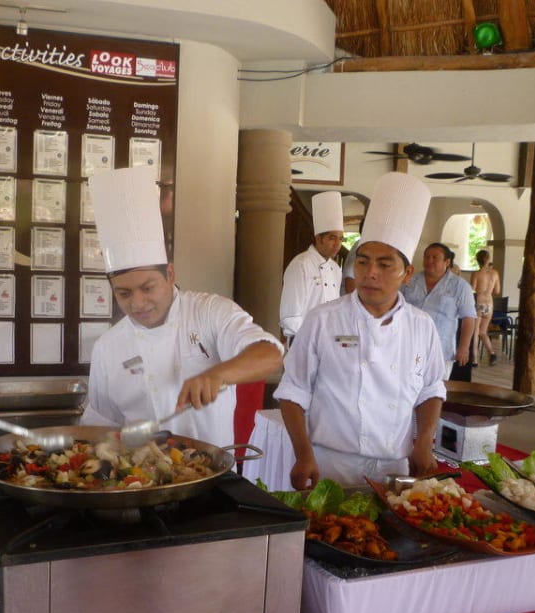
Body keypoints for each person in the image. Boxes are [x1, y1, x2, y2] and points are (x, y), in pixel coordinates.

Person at [80, 166, 283, 448]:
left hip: (210, 466)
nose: (137, 303)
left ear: (170, 274)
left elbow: (270, 355)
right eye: (123, 293)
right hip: (137, 471)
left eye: (147, 288)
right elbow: (99, 425)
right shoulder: (108, 347)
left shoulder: (209, 312)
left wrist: (217, 374)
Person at [274, 172, 446, 490]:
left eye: (384, 264)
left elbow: (431, 389)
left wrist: (424, 441)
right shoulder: (322, 320)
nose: (370, 273)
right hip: (329, 465)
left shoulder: (422, 326)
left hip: (395, 466)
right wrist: (303, 454)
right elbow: (292, 392)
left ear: (407, 273)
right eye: (363, 262)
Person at [402, 243, 477, 379]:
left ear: (447, 262)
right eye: (426, 257)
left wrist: (463, 348)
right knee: (406, 384)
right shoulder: (409, 281)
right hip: (408, 345)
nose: (429, 261)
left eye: (434, 257)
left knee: (436, 386)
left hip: (441, 348)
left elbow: (469, 318)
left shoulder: (460, 286)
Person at [279, 191, 344, 344]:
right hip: (303, 341)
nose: (337, 244)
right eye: (332, 238)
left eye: (340, 239)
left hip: (327, 342)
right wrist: (318, 336)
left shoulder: (335, 269)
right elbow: (290, 318)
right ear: (319, 238)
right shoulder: (301, 265)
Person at [470, 249, 501, 365]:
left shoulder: (476, 274)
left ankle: (475, 360)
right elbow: (497, 291)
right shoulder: (495, 273)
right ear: (488, 259)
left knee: (476, 332)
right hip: (489, 304)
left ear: (477, 260)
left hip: (479, 303)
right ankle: (491, 353)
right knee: (483, 331)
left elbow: (472, 289)